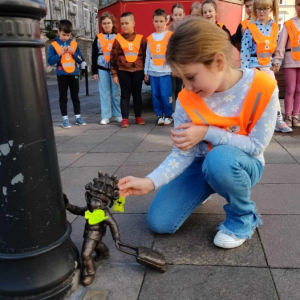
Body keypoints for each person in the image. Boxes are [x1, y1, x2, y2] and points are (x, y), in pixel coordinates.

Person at [117, 18, 278, 249]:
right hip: (202, 163)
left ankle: (242, 218)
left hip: (243, 165)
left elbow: (255, 147)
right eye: (181, 79)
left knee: (218, 160)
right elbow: (182, 154)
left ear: (218, 62)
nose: (187, 87)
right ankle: (211, 184)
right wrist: (150, 182)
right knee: (159, 222)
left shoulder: (263, 87)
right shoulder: (186, 99)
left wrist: (206, 132)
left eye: (191, 77)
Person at [241, 0, 292, 133]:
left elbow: (276, 48)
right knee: (252, 94)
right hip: (253, 66)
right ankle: (248, 121)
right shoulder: (250, 28)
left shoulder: (275, 27)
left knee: (274, 91)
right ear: (255, 10)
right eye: (259, 9)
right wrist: (245, 70)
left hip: (267, 67)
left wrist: (277, 62)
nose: (261, 12)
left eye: (265, 9)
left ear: (270, 9)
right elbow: (245, 51)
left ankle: (277, 120)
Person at [110, 12, 147, 128]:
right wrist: (114, 74)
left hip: (138, 71)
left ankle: (138, 116)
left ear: (133, 23)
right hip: (123, 71)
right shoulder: (118, 39)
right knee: (125, 95)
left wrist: (146, 72)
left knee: (137, 95)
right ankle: (125, 118)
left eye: (126, 23)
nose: (124, 26)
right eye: (122, 24)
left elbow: (146, 56)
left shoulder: (141, 39)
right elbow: (113, 58)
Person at [48, 20, 86, 128]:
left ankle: (78, 117)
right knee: (63, 97)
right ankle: (64, 119)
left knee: (75, 96)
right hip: (62, 74)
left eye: (68, 35)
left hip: (73, 73)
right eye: (63, 35)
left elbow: (80, 60)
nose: (65, 37)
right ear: (58, 31)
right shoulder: (53, 45)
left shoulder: (74, 44)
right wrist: (59, 54)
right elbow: (50, 61)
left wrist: (73, 53)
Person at [273, 0, 300, 127]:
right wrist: (277, 60)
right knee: (290, 89)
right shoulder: (288, 24)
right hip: (290, 61)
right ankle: (287, 115)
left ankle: (296, 114)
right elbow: (281, 44)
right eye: (299, 4)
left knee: (299, 90)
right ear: (295, 6)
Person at [92, 12, 121, 125]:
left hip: (115, 70)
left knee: (116, 92)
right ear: (101, 25)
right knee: (104, 92)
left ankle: (117, 114)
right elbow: (94, 55)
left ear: (113, 24)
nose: (106, 25)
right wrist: (94, 71)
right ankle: (105, 116)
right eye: (104, 23)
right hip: (102, 68)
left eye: (108, 23)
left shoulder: (118, 37)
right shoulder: (98, 38)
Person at [145, 9, 173, 126]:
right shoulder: (150, 38)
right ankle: (159, 115)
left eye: (161, 21)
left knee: (165, 94)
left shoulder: (170, 36)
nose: (159, 24)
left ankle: (168, 115)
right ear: (153, 21)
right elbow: (148, 56)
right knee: (155, 95)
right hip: (153, 71)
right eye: (156, 21)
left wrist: (173, 68)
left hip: (166, 71)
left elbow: (172, 53)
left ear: (166, 21)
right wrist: (146, 71)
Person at [169, 4, 186, 112]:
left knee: (183, 89)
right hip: (172, 65)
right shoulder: (169, 31)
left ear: (184, 15)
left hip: (184, 64)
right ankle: (173, 111)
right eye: (176, 15)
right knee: (172, 89)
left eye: (180, 14)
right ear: (172, 16)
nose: (178, 17)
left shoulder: (186, 29)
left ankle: (183, 111)